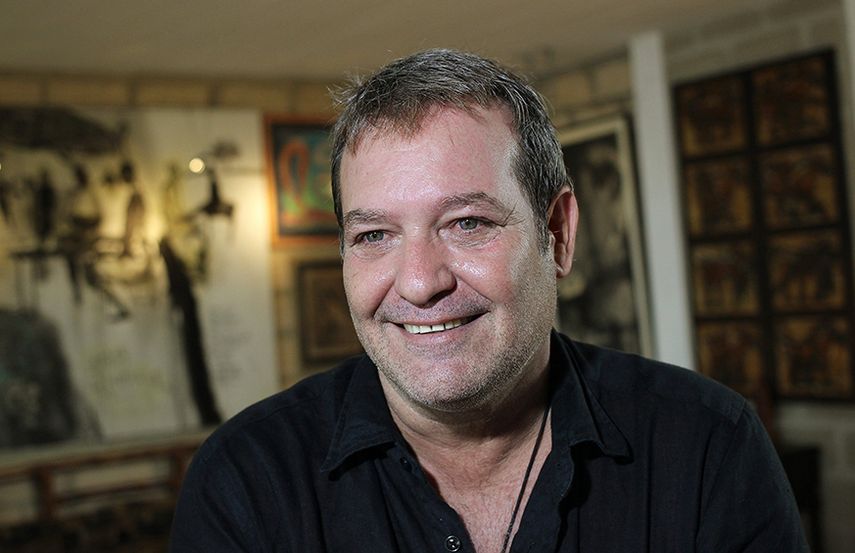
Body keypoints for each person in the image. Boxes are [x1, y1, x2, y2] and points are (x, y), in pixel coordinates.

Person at [170, 49, 807, 552]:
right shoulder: (249, 479)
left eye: (467, 223)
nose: (419, 283)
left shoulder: (705, 448)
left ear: (557, 234)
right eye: (374, 235)